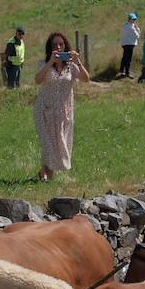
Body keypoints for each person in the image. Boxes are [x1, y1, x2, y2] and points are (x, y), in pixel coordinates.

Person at [34, 32, 89, 181]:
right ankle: (45, 174)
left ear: (65, 46)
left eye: (61, 44)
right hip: (44, 109)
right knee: (48, 143)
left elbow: (86, 79)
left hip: (64, 112)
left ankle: (45, 175)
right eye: (54, 45)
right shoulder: (44, 63)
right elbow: (37, 80)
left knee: (59, 144)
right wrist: (50, 62)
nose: (58, 47)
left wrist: (78, 61)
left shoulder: (71, 65)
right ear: (50, 48)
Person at [118, 13, 140, 78]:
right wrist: (138, 29)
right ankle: (127, 72)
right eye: (133, 19)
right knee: (128, 59)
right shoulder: (131, 27)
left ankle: (122, 70)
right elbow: (137, 36)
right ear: (129, 19)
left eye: (135, 19)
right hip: (130, 44)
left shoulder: (125, 25)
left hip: (124, 44)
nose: (134, 20)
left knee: (125, 57)